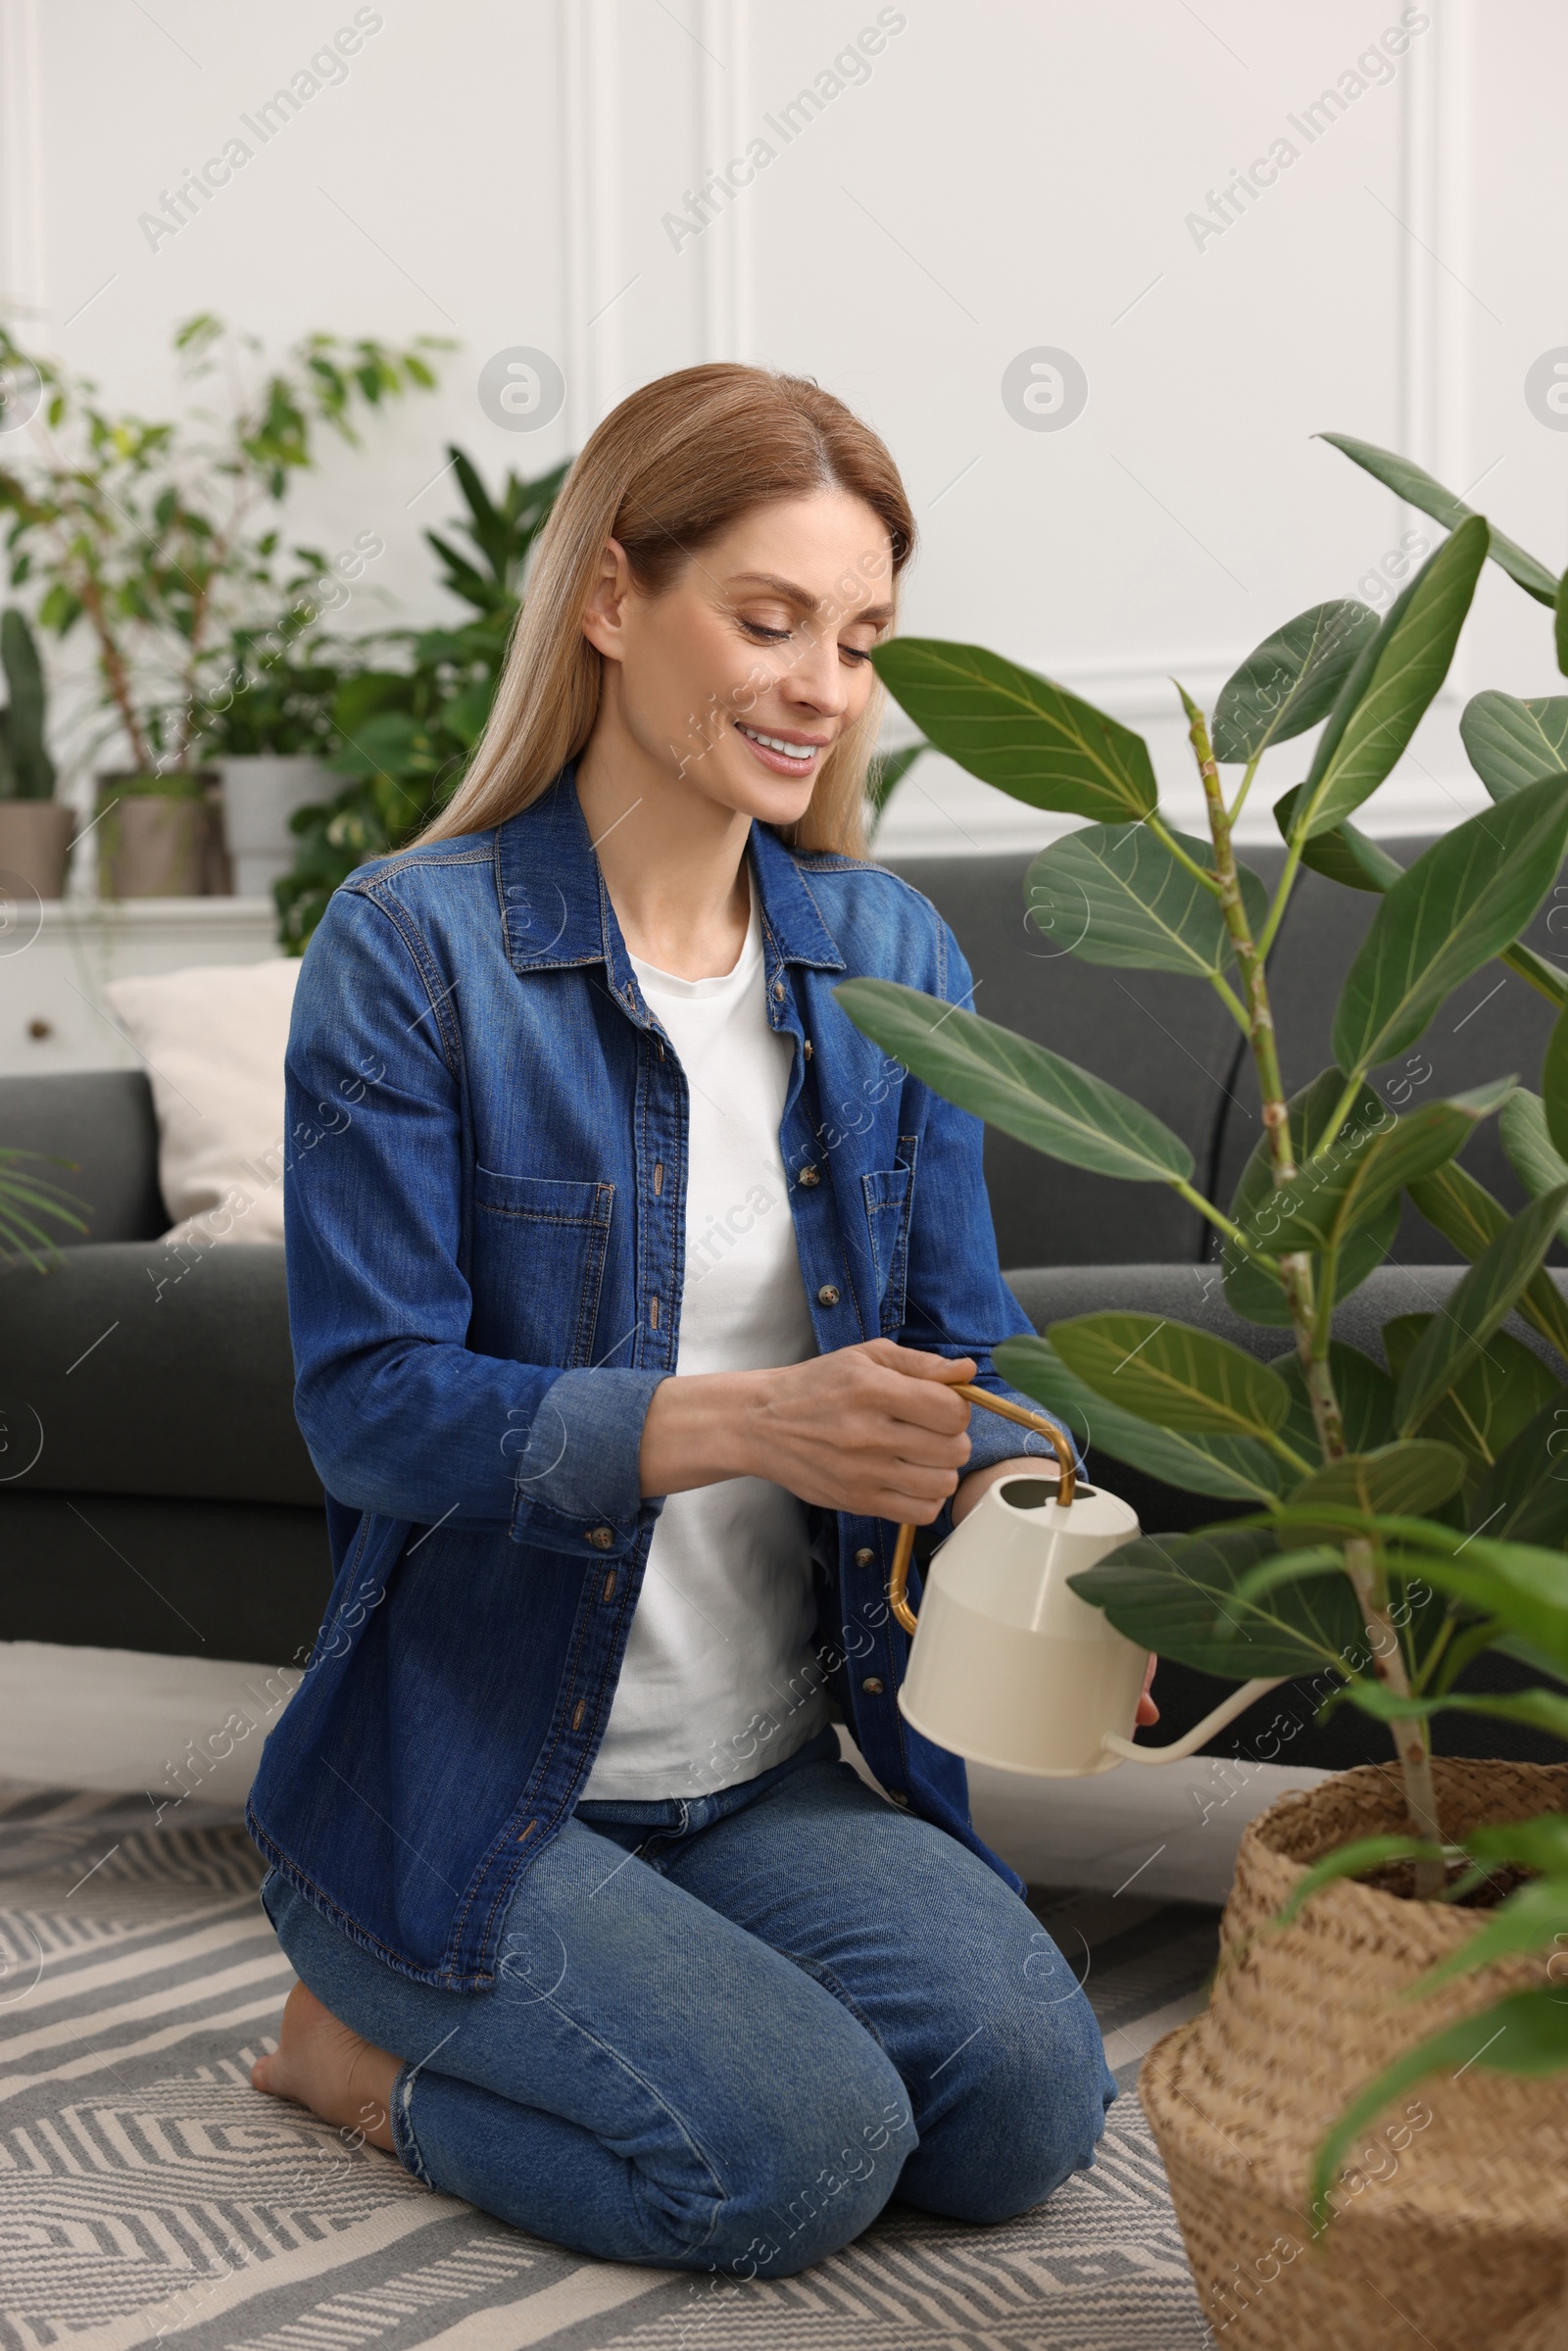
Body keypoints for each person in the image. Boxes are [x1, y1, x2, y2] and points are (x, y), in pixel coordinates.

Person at [247, 363, 1155, 2279]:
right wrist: (745, 1418)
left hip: (770, 1765)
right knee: (789, 2163)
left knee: (1018, 2115)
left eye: (857, 636)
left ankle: (693, 1973)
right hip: (479, 1784)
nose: (819, 682)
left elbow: (957, 1350)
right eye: (765, 619)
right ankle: (350, 2053)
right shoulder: (412, 948)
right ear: (606, 600)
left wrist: (1052, 1556)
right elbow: (374, 1412)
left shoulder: (885, 952)